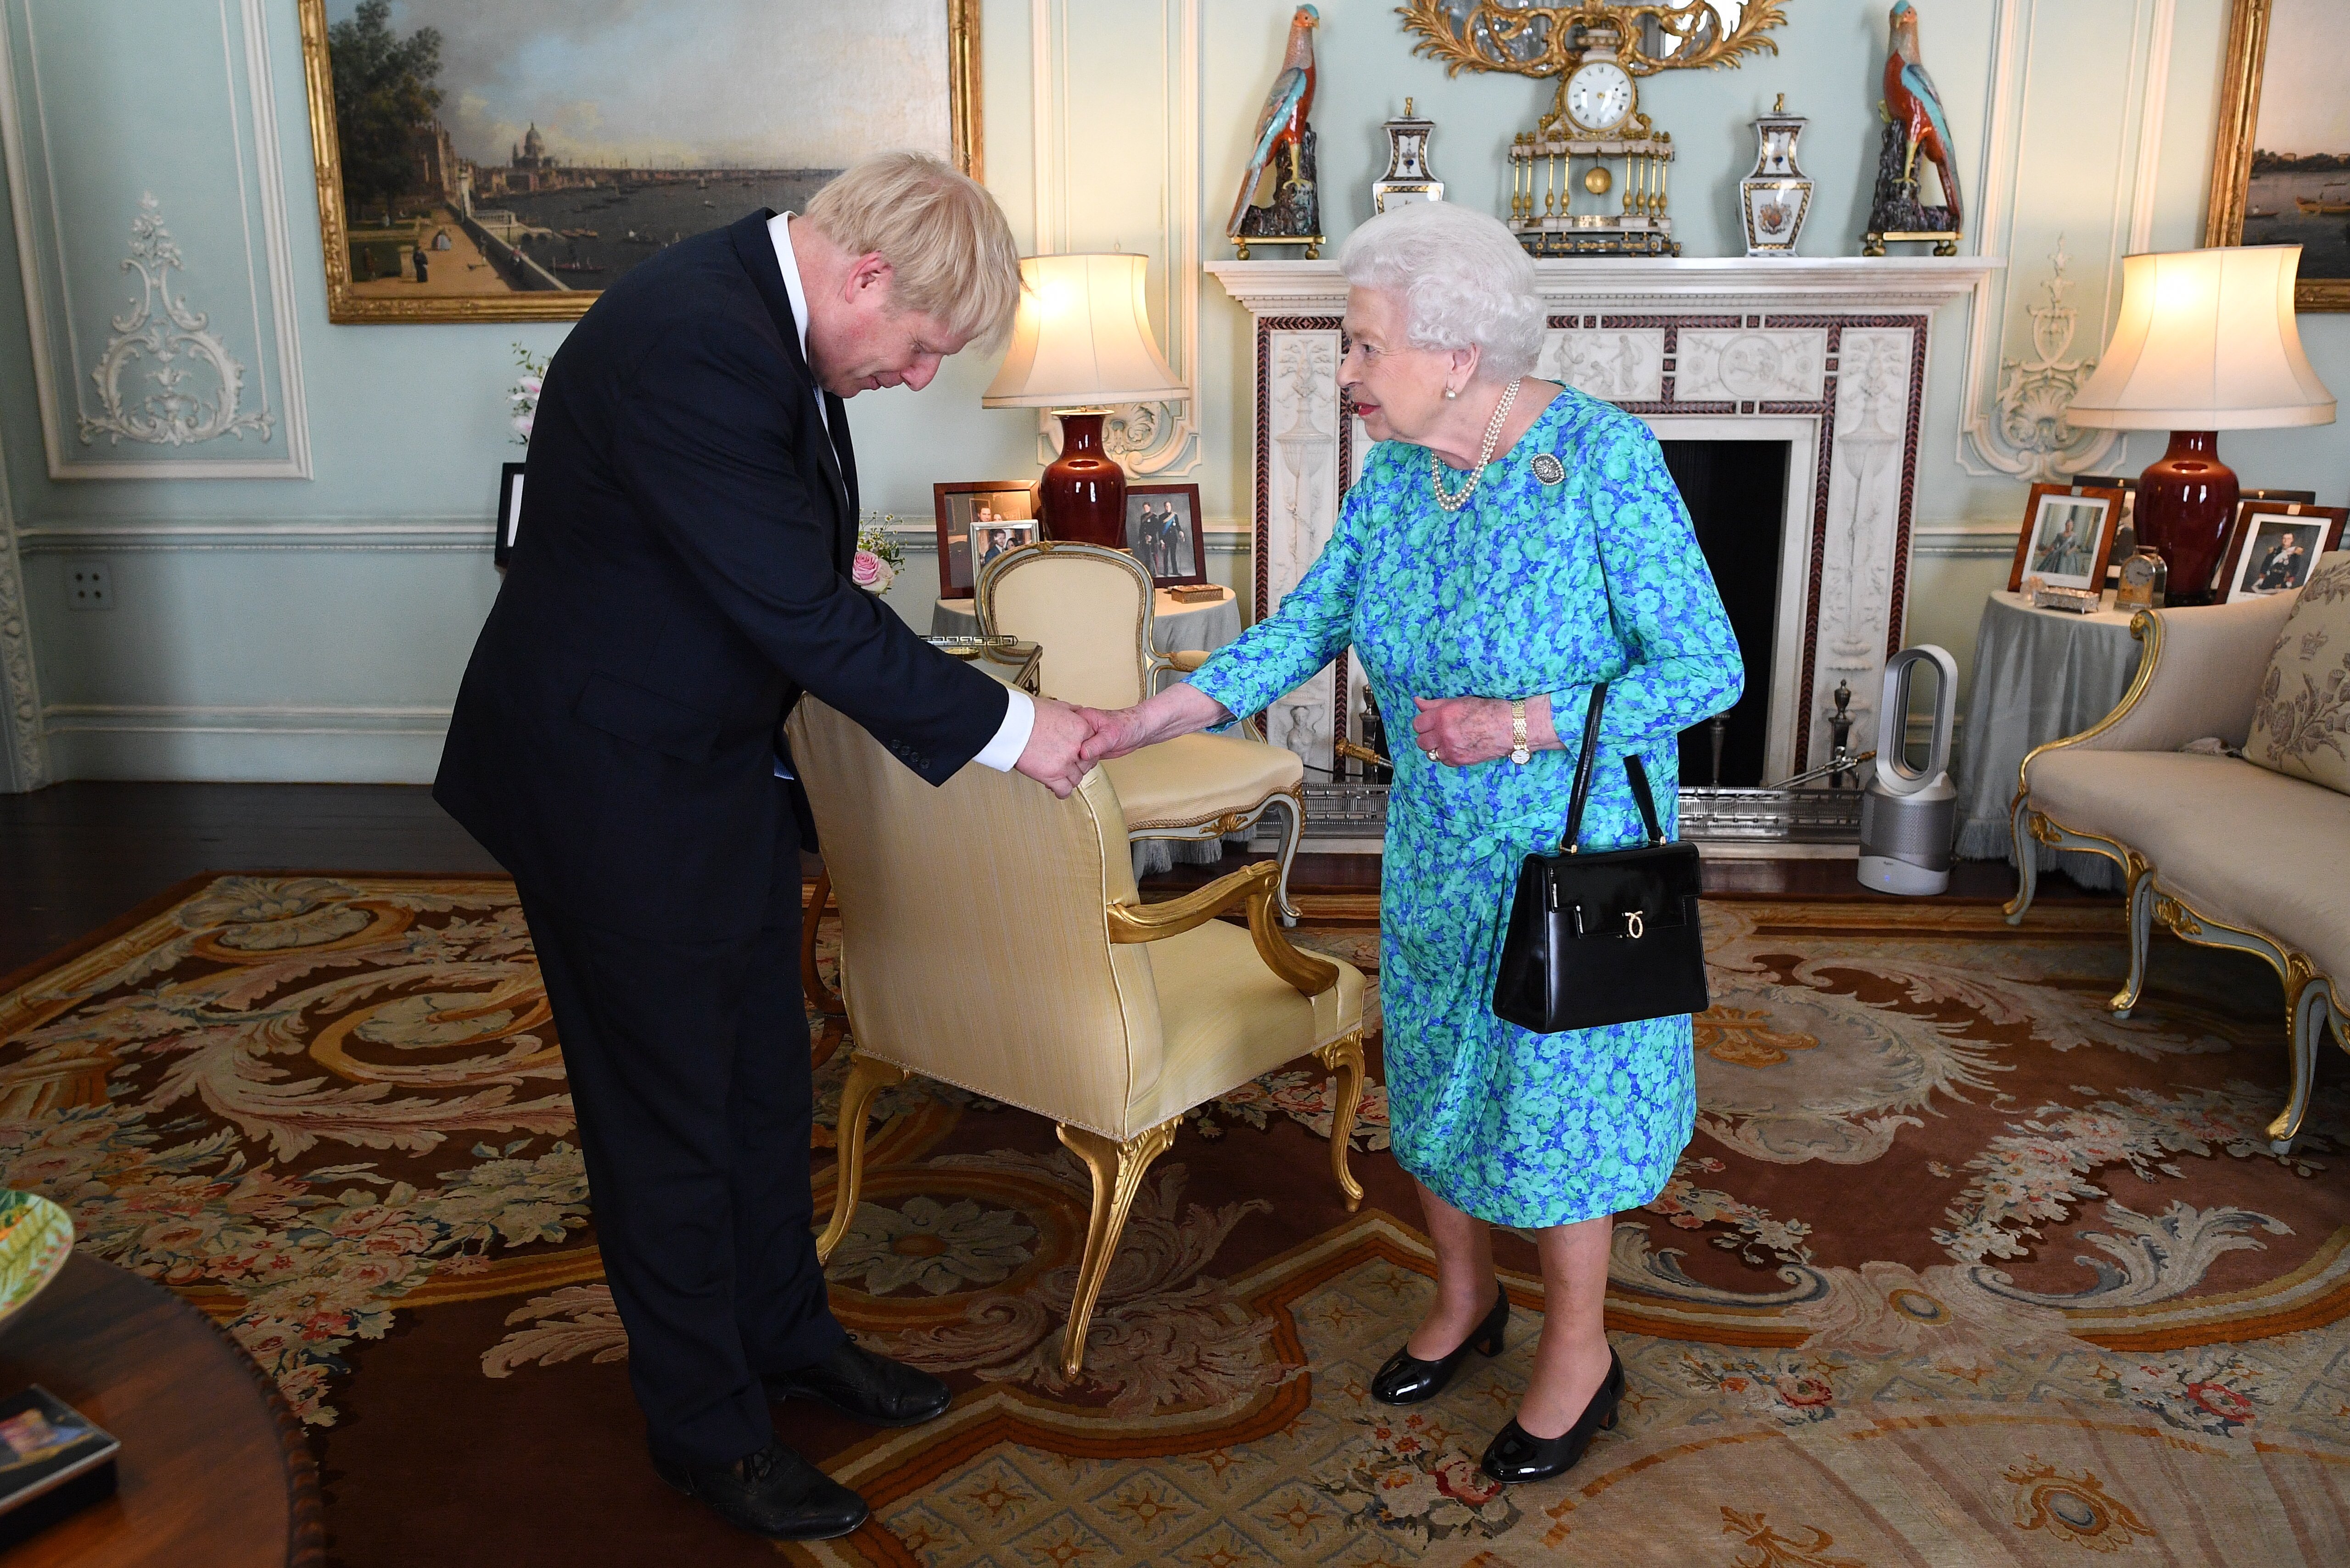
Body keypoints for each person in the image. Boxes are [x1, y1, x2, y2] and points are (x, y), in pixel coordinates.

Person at [435, 153, 1105, 1543]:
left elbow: (772, 571)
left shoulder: (758, 309)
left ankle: (790, 1342)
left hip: (707, 764)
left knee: (756, 1081)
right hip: (606, 782)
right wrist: (1020, 731)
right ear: (865, 277)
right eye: (920, 347)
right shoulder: (692, 338)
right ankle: (707, 1432)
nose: (919, 378)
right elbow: (801, 613)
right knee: (668, 1119)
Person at [1082, 200, 1742, 1487]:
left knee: (1558, 1108)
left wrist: (1519, 725)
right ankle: (1462, 1300)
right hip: (1438, 848)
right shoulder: (1401, 474)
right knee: (1437, 1073)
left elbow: (1706, 667)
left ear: (1455, 351)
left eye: (1363, 344)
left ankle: (1580, 1353)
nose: (1346, 372)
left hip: (1572, 850)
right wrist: (1155, 712)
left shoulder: (1603, 461)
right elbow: (1310, 621)